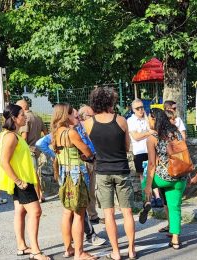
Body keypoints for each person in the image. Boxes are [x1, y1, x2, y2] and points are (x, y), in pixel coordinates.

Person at [84, 87, 136, 260]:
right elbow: (127, 146)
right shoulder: (121, 120)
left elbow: (91, 147)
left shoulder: (89, 123)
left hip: (102, 170)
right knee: (127, 211)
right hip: (121, 169)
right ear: (110, 101)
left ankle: (115, 252)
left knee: (108, 213)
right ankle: (131, 249)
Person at [0, 104, 50, 260]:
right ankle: (35, 251)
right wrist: (19, 181)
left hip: (21, 180)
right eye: (22, 115)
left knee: (20, 212)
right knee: (36, 212)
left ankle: (21, 246)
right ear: (14, 118)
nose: (25, 117)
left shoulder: (12, 134)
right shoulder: (11, 137)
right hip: (21, 181)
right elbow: (4, 162)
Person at [51, 103, 97, 260]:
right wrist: (86, 155)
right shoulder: (71, 133)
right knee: (79, 214)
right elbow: (87, 151)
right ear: (66, 116)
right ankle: (79, 252)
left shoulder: (56, 133)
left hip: (64, 174)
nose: (75, 117)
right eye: (72, 114)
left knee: (67, 213)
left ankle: (68, 248)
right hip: (77, 175)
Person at [143, 108, 187, 249]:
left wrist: (149, 186)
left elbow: (151, 164)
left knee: (144, 182)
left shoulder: (153, 138)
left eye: (149, 118)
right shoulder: (176, 133)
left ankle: (147, 201)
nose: (147, 121)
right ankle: (175, 240)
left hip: (164, 176)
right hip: (180, 175)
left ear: (154, 119)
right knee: (175, 208)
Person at [127, 99, 163, 207]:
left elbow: (155, 131)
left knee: (154, 173)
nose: (141, 110)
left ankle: (157, 197)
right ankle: (148, 199)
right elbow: (136, 137)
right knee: (143, 175)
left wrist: (147, 124)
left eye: (142, 107)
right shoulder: (131, 121)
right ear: (133, 110)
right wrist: (149, 132)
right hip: (140, 151)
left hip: (150, 149)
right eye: (138, 108)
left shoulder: (148, 119)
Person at [16, 99, 48, 203]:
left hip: (29, 150)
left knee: (33, 174)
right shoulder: (37, 116)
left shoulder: (25, 118)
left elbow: (24, 137)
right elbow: (46, 132)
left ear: (22, 108)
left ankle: (38, 196)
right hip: (37, 149)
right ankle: (41, 194)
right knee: (36, 173)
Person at [78, 105, 102, 224]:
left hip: (94, 159)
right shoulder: (78, 128)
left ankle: (93, 215)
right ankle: (84, 218)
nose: (94, 118)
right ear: (83, 117)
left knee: (92, 190)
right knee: (84, 191)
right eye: (91, 116)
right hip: (84, 162)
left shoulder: (92, 127)